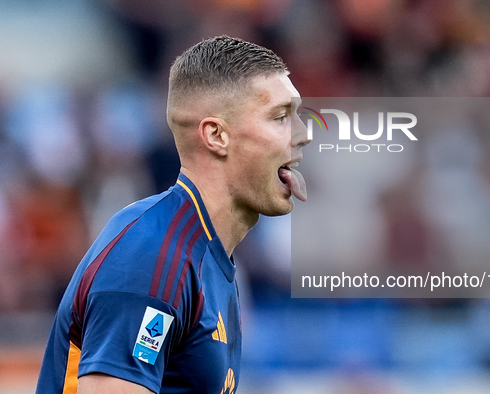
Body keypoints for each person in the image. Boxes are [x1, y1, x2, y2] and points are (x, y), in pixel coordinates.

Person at [36, 35, 309, 394]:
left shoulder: (207, 255)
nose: (303, 135)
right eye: (280, 117)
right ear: (216, 136)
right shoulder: (153, 256)